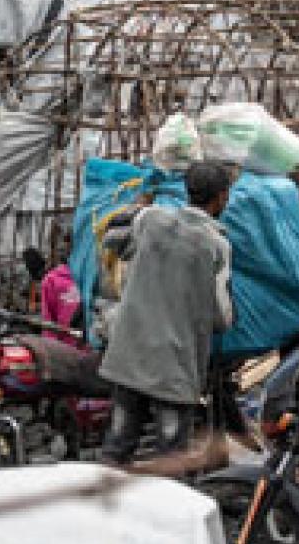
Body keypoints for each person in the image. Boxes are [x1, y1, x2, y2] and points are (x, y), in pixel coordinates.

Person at [99, 161, 235, 466]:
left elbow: (113, 240)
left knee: (116, 448)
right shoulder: (216, 245)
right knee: (170, 458)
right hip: (173, 368)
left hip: (128, 355)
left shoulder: (150, 219)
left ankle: (101, 495)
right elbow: (220, 317)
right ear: (222, 197)